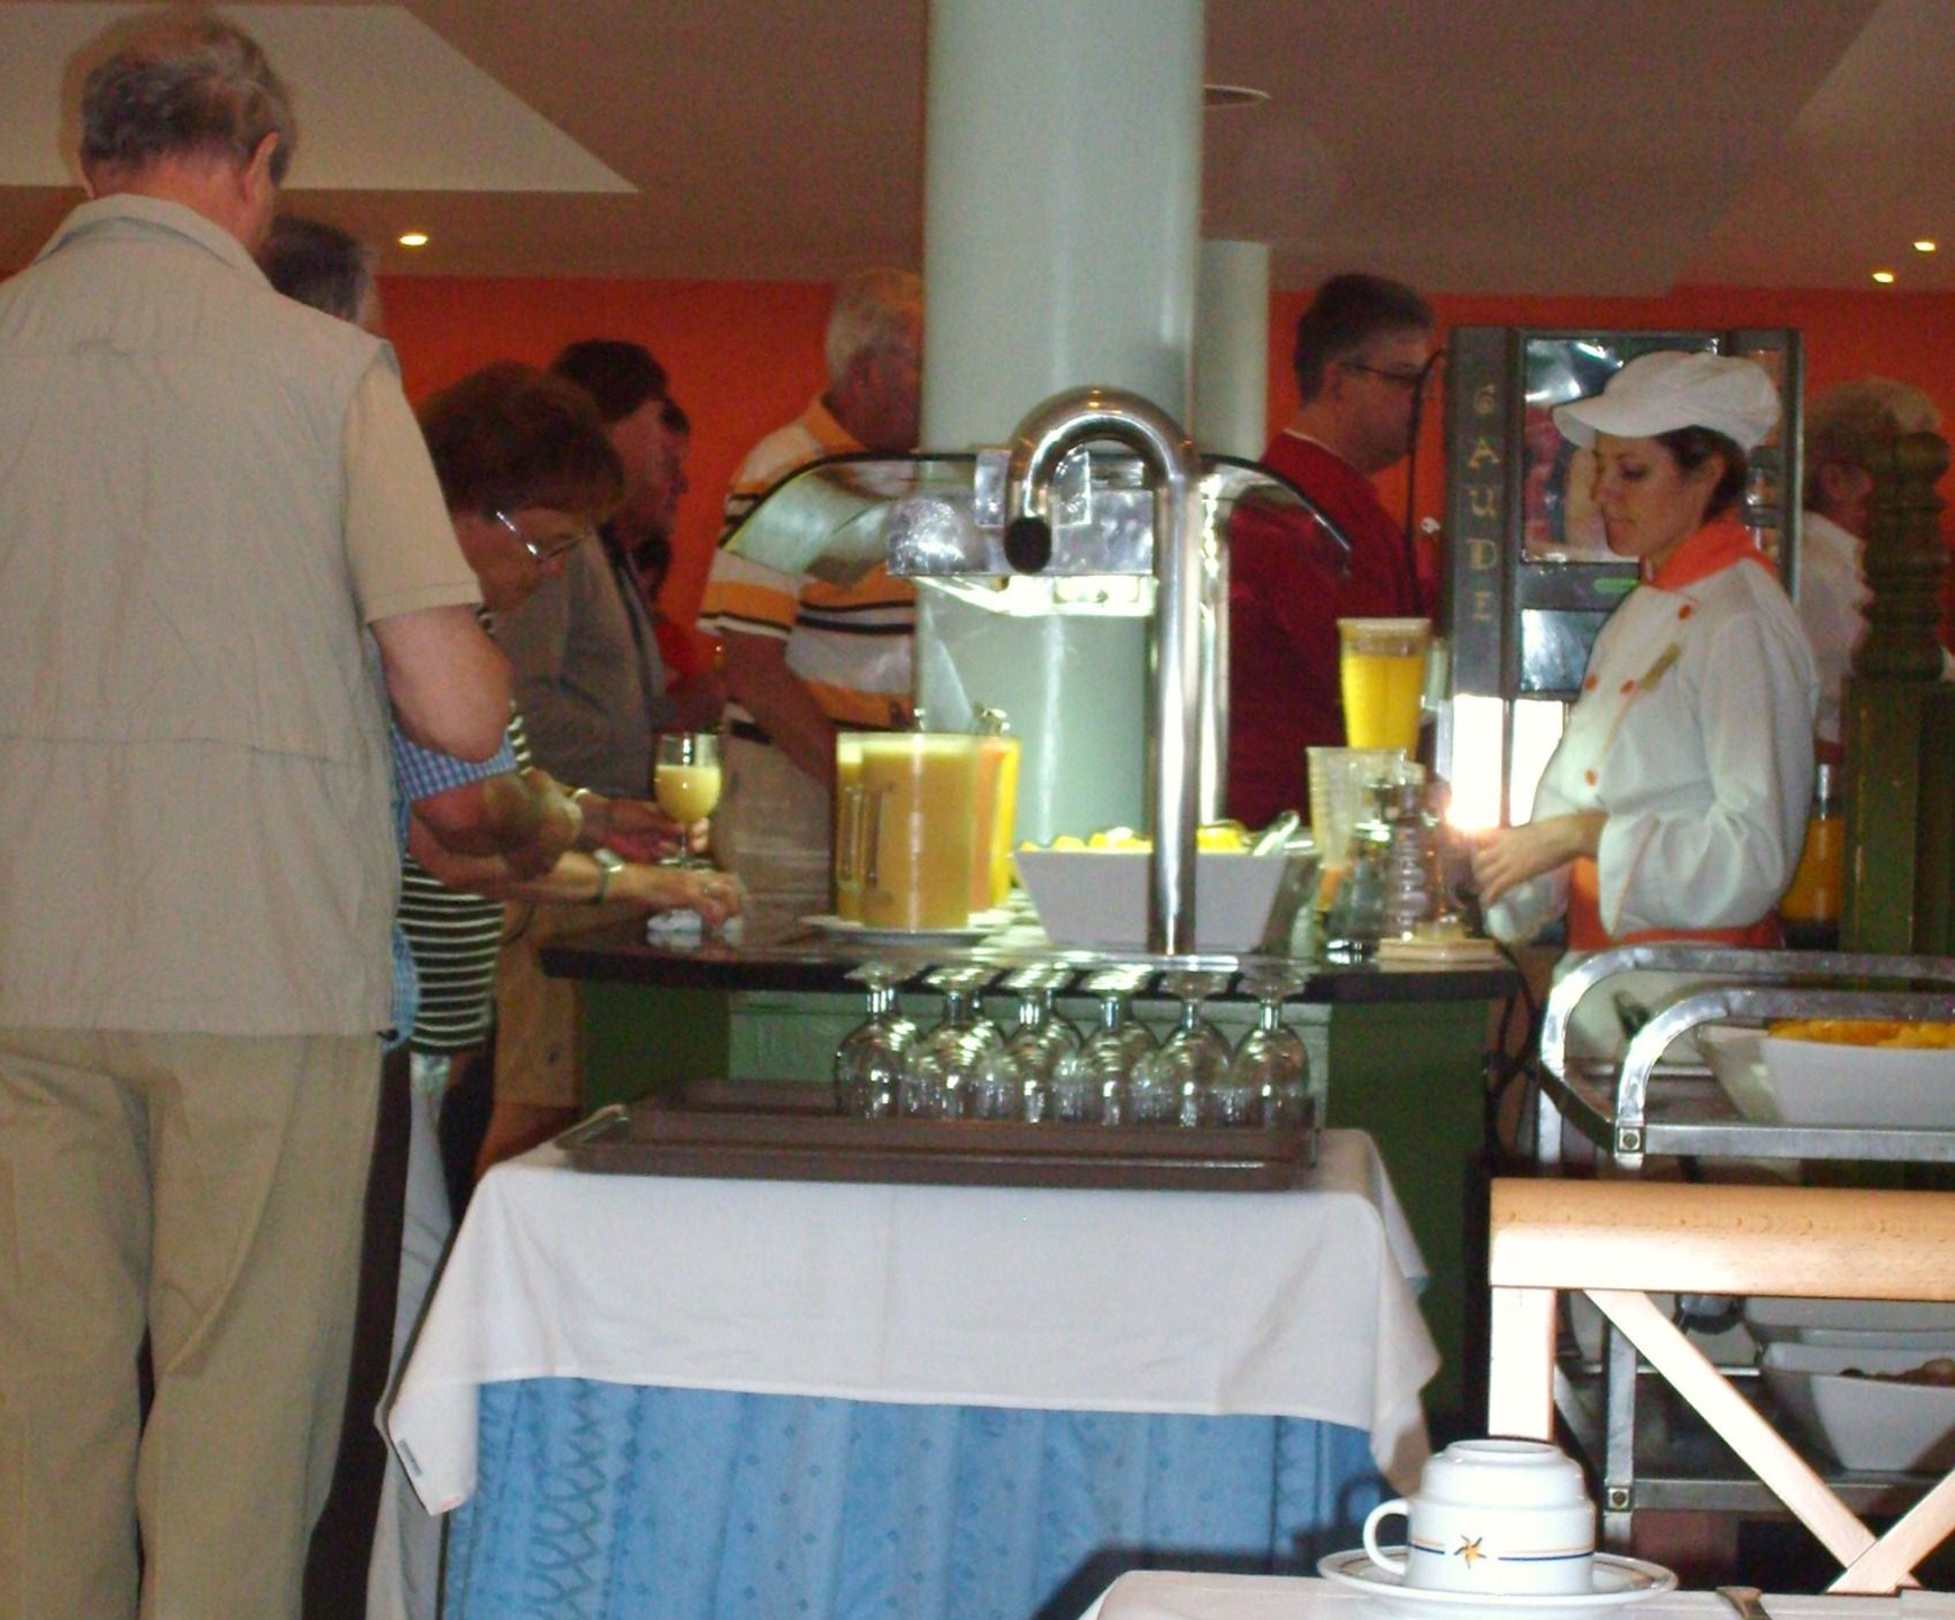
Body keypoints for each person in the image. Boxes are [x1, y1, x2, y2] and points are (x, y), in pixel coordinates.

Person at [0, 17, 516, 1620]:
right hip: (260, 965)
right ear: (261, 163)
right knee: (238, 1423)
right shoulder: (325, 373)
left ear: (89, 157)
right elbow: (455, 711)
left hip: (18, 961)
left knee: (37, 1424)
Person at [1472, 351, 1816, 1049]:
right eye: (1600, 467)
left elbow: (1754, 859)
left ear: (1707, 474)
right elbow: (1577, 793)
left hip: (1694, 1004)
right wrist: (1512, 873)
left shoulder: (1740, 619)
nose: (1603, 492)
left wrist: (1579, 836)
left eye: (1631, 472)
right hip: (1609, 988)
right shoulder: (1646, 606)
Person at [698, 266, 924, 913]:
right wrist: (857, 789)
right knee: (786, 962)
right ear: (866, 373)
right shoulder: (796, 473)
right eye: (922, 365)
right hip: (796, 785)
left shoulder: (925, 471)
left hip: (891, 783)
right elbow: (753, 668)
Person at [1226, 273, 1434, 828]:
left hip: (1304, 818)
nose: (1420, 402)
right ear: (1338, 381)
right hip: (1286, 825)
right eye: (1404, 379)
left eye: (1425, 384)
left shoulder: (1319, 499)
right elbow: (1358, 672)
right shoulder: (1292, 509)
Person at [482, 338, 679, 802]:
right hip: (565, 813)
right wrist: (642, 752)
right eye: (655, 420)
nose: (664, 445)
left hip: (592, 811)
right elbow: (525, 705)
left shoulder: (604, 542)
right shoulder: (555, 546)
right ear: (613, 423)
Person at [1799, 376, 1954, 752]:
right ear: (1835, 481)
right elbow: (1853, 708)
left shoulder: (1840, 563)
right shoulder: (1824, 572)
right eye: (1898, 474)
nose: (1917, 494)